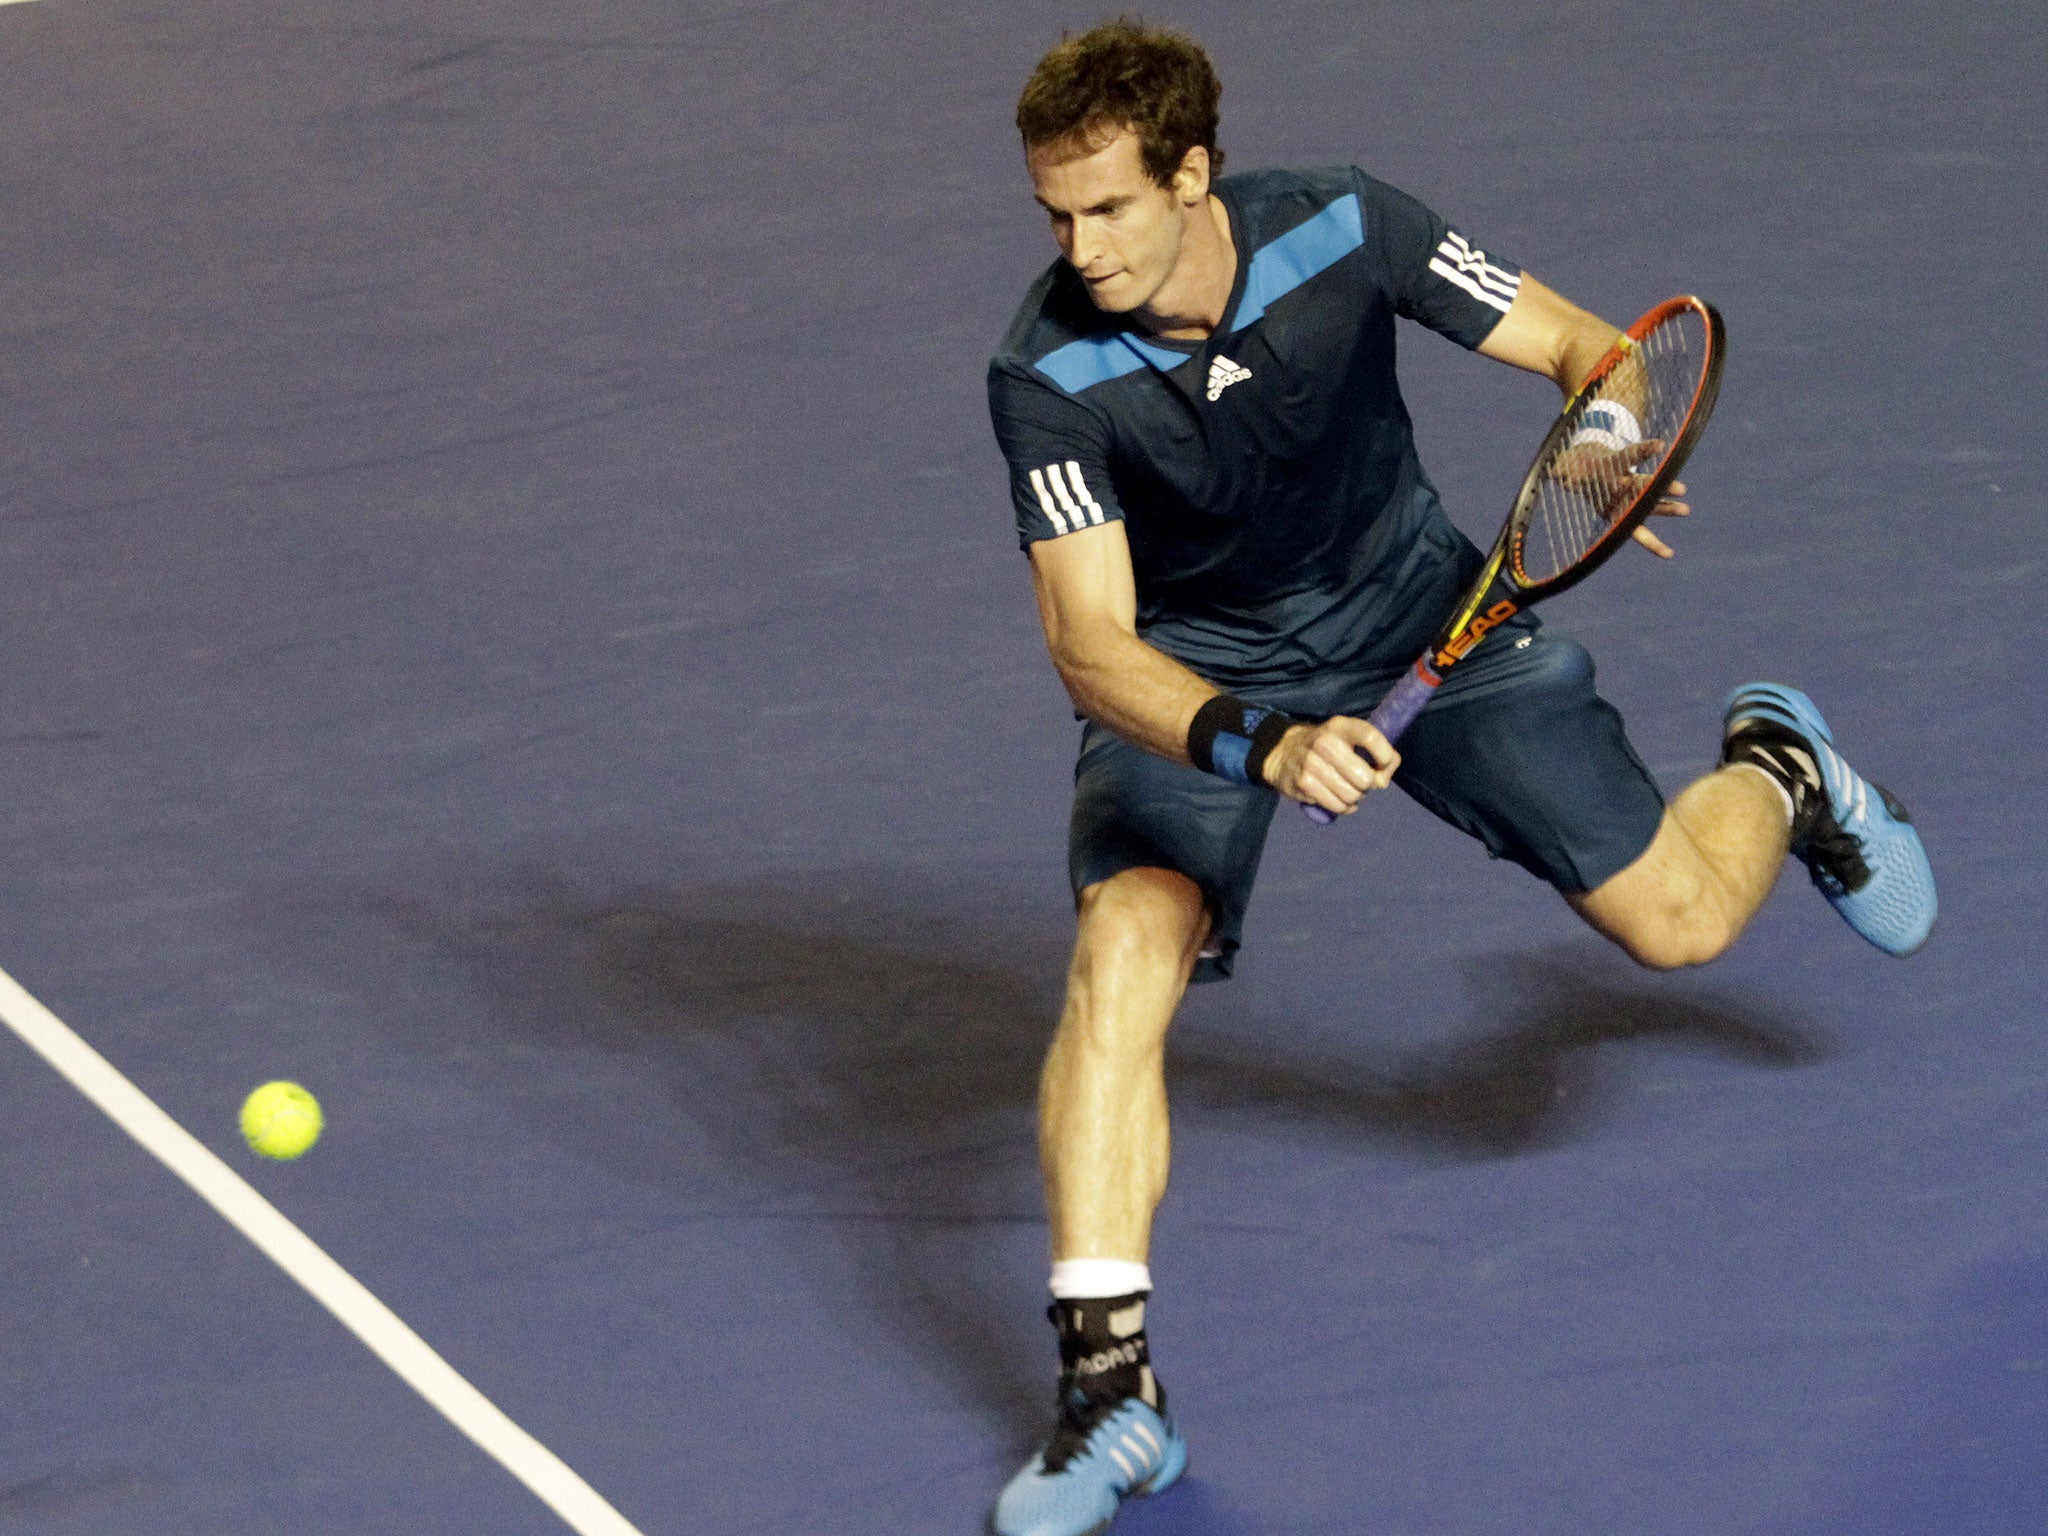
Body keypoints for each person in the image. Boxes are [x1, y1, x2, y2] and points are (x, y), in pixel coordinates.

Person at [983, 19, 1936, 1536]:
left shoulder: (1350, 224)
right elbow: (1092, 648)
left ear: (1193, 173)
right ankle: (1114, 1399)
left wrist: (1609, 435)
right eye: (1055, 214)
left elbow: (1584, 349)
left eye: (1109, 207)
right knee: (1121, 950)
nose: (1078, 246)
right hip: (1207, 675)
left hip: (1432, 608)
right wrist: (1257, 737)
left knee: (1682, 924)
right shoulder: (1048, 374)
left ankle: (1781, 771)